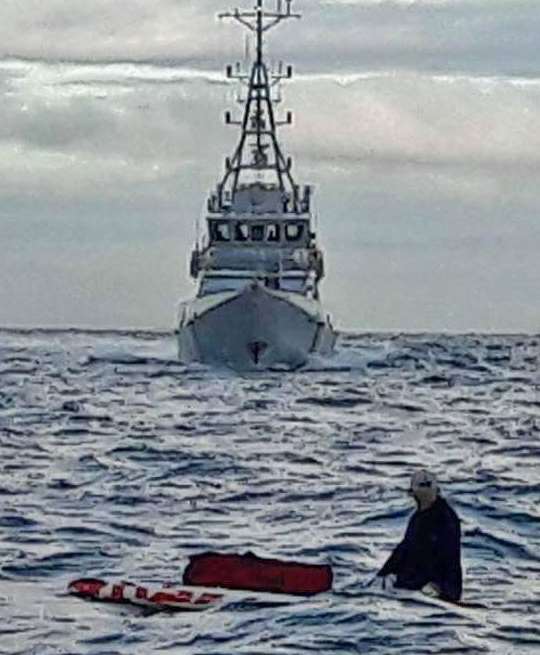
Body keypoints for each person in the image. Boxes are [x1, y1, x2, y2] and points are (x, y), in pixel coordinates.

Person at [376, 469, 463, 603]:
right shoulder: (418, 519)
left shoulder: (445, 519)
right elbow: (404, 549)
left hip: (437, 589)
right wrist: (383, 574)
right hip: (416, 585)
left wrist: (435, 586)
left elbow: (443, 557)